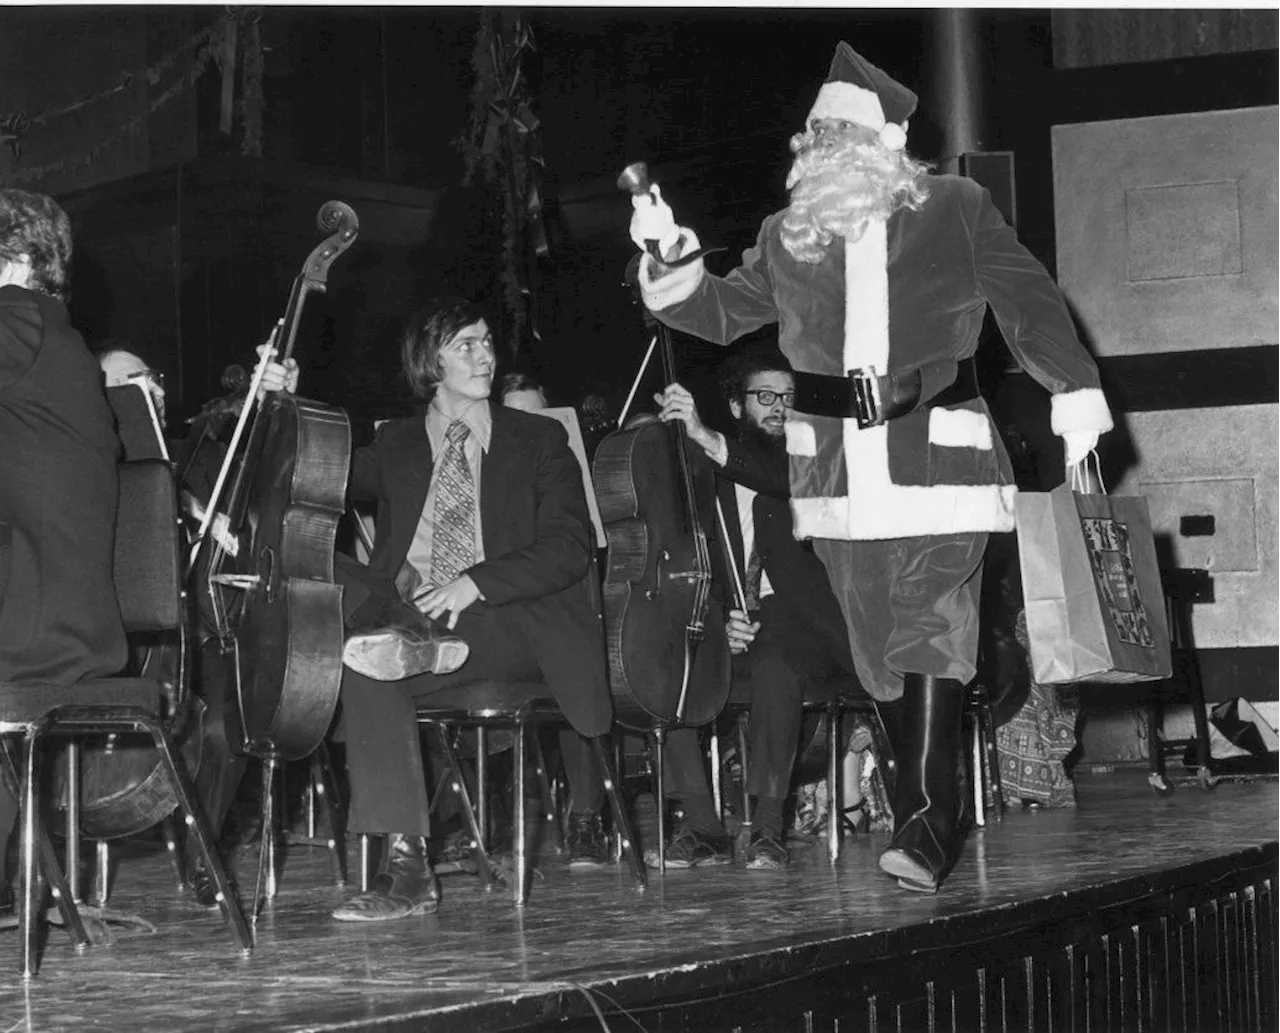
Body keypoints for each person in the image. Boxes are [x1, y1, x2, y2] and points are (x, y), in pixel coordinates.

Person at [629, 42, 1113, 893]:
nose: (822, 150)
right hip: (835, 478)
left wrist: (1072, 392)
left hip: (938, 452)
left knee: (932, 619)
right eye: (814, 138)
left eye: (839, 136)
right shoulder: (787, 235)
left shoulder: (956, 207)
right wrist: (671, 262)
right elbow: (714, 312)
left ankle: (930, 822)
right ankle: (920, 805)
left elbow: (1029, 300)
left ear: (885, 144)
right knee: (877, 648)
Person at [330, 297, 616, 921]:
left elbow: (570, 547)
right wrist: (282, 405)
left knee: (381, 652)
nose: (485, 355)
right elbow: (317, 477)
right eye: (466, 345)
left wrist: (474, 583)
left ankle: (413, 639)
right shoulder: (398, 443)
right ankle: (407, 869)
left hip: (509, 623)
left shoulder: (538, 438)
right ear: (429, 361)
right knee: (361, 650)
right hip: (419, 616)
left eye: (487, 342)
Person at [651, 344, 877, 871]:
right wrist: (716, 617)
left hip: (808, 627)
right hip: (731, 622)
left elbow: (777, 478)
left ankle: (767, 825)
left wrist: (706, 437)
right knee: (667, 665)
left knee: (777, 655)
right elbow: (687, 566)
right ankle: (703, 824)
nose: (779, 407)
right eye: (765, 396)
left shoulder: (816, 460)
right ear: (736, 407)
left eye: (789, 397)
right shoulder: (702, 476)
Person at [0, 188, 129, 904]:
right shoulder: (49, 332)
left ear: (15, 257)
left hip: (40, 621)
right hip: (49, 607)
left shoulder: (16, 320)